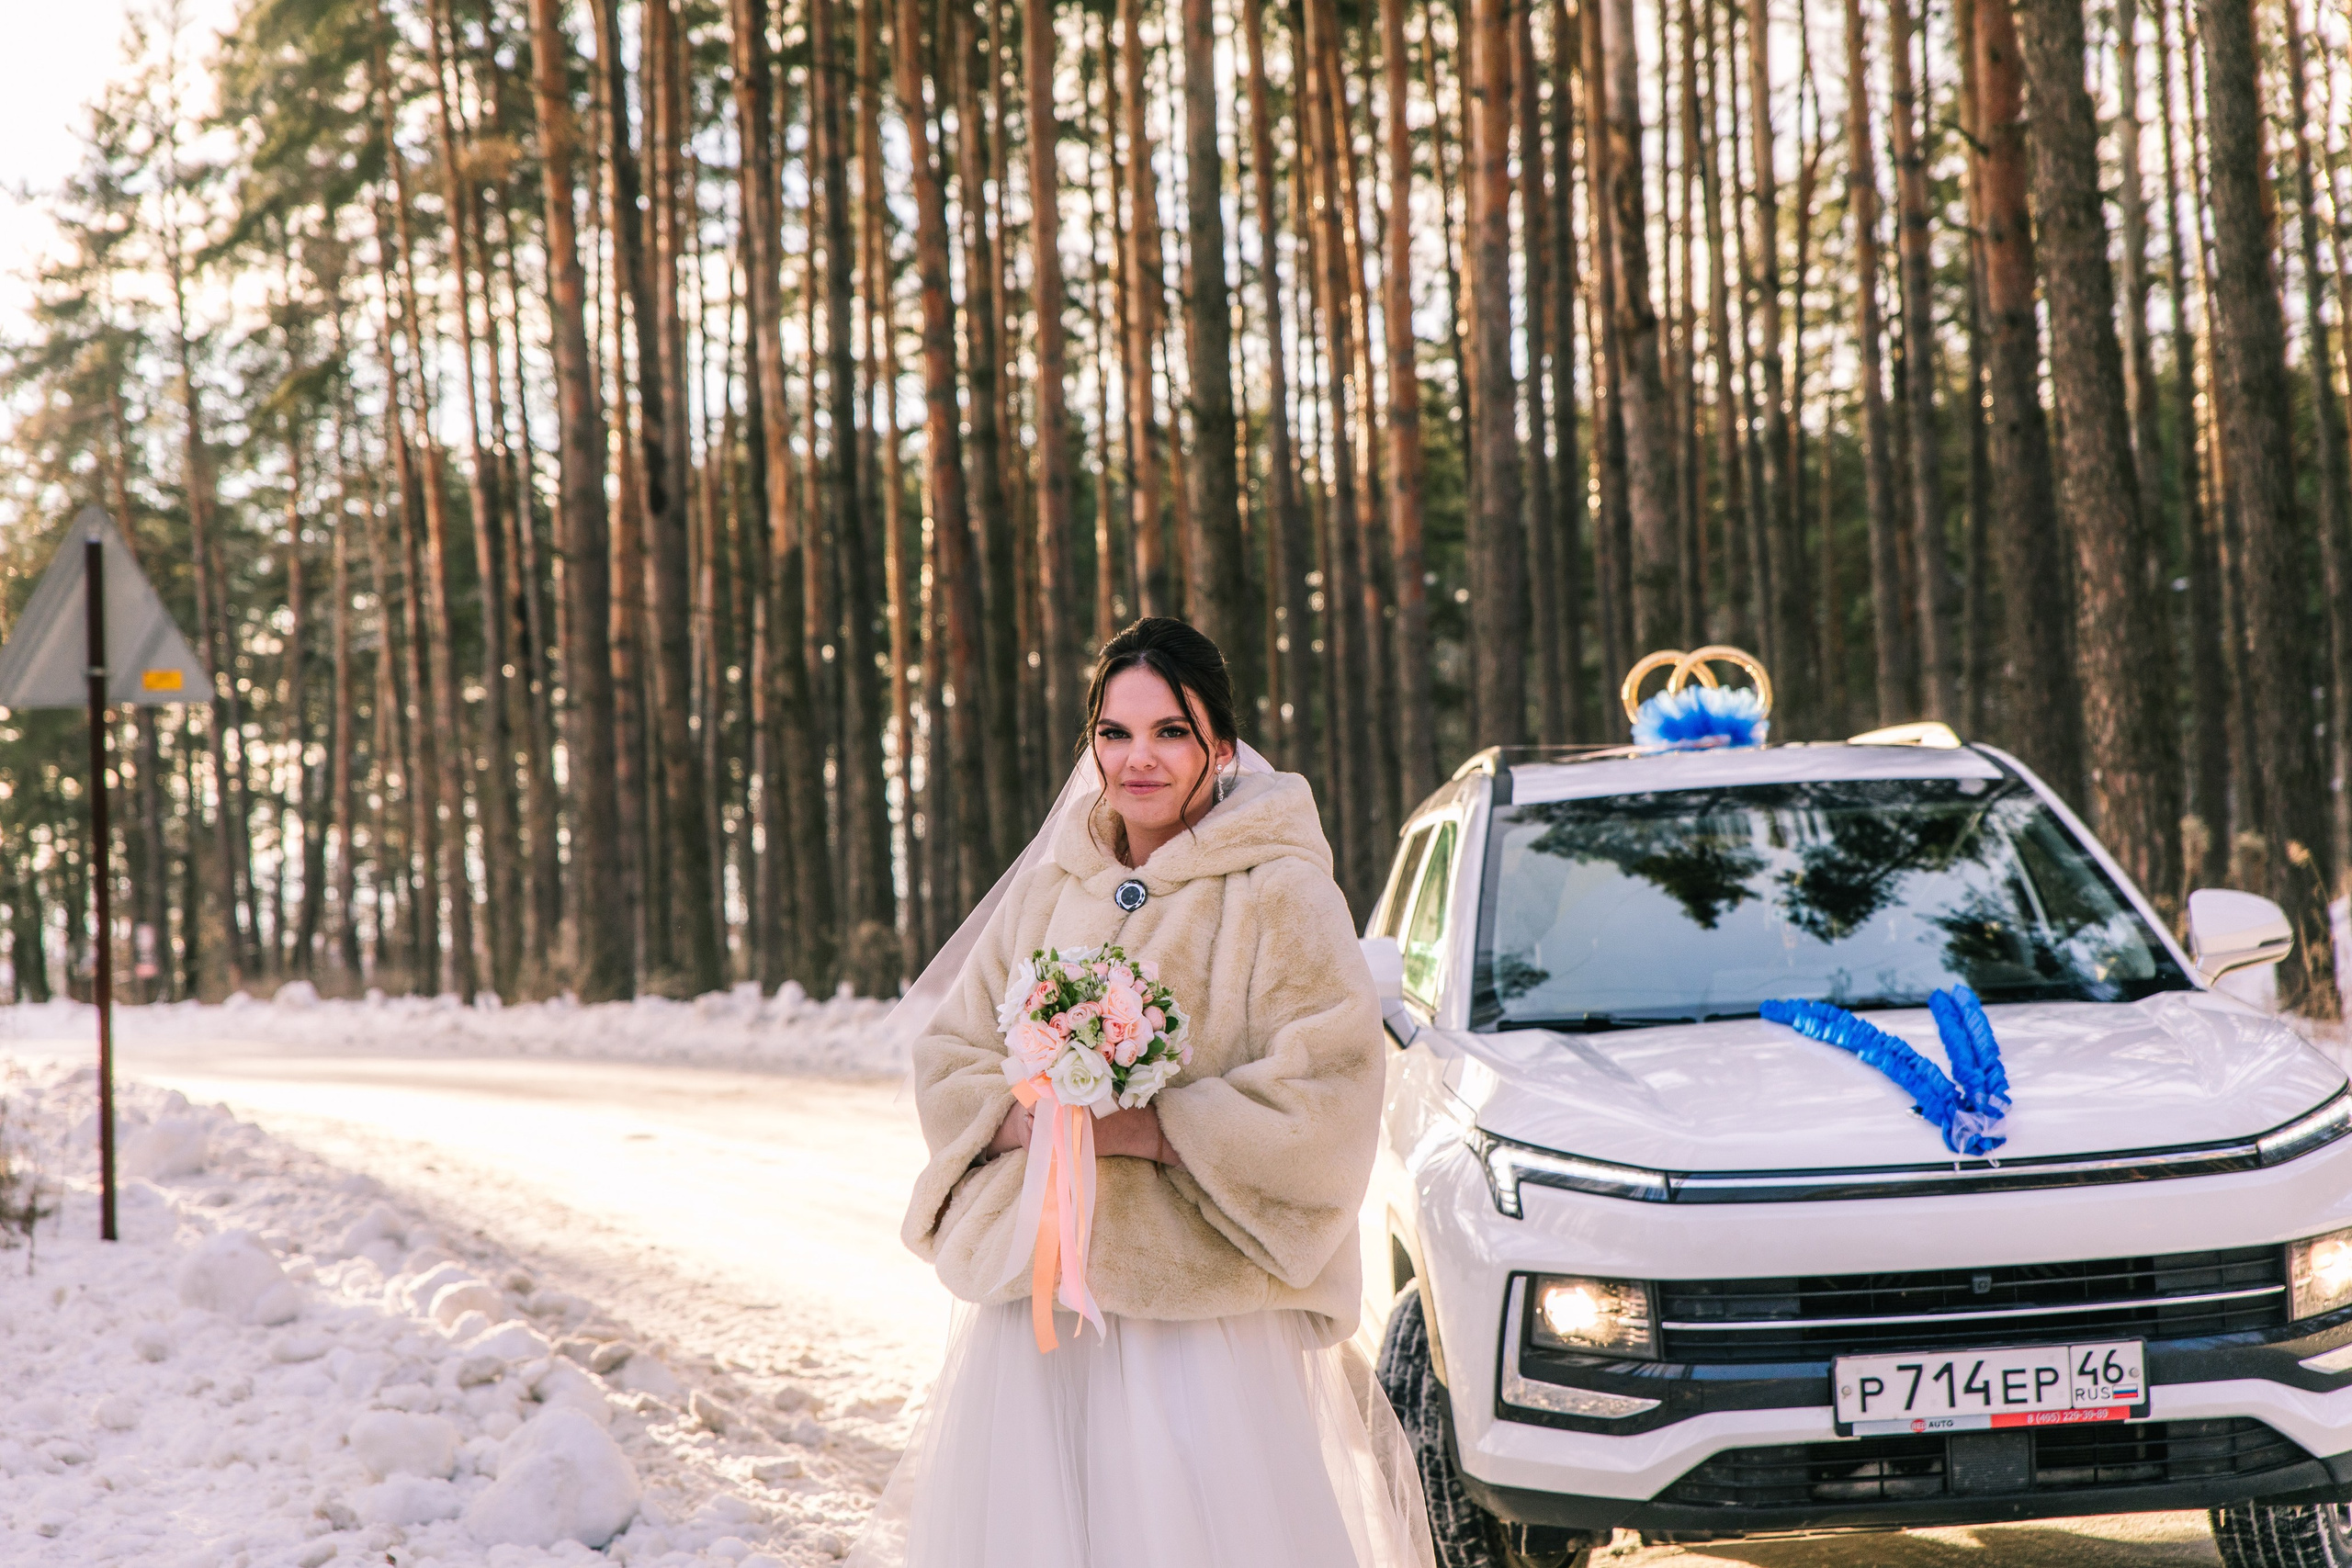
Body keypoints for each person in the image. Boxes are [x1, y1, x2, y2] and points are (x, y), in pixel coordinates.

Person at [849, 617, 1435, 1568]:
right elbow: (952, 1051)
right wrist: (1027, 1113)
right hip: (1044, 1303)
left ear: (1220, 745)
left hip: (1196, 1315)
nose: (1139, 760)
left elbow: (1327, 1091)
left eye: (1169, 731)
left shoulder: (1280, 890)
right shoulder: (1054, 885)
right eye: (1115, 734)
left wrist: (1159, 1130)